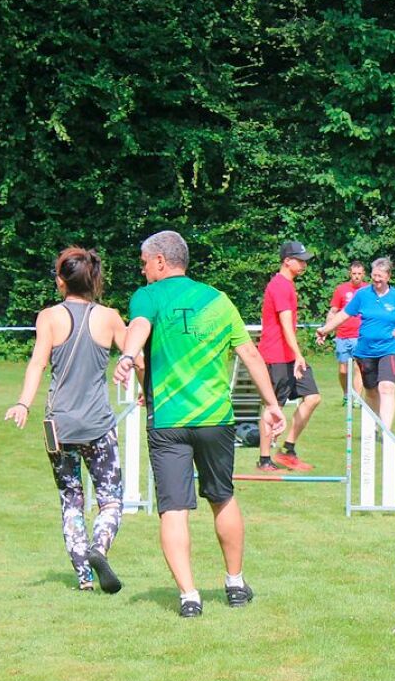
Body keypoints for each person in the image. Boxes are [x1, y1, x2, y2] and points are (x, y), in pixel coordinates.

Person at [113, 231, 286, 618]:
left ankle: (189, 595)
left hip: (169, 422)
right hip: (215, 419)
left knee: (173, 508)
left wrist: (127, 354)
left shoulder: (148, 296)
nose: (142, 270)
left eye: (144, 262)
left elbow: (138, 327)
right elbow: (250, 355)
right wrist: (272, 404)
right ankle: (235, 583)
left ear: (160, 261)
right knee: (222, 496)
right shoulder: (219, 300)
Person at [4, 248, 131, 593]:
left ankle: (84, 579)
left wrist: (22, 404)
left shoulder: (48, 317)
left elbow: (37, 365)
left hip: (56, 427)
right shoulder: (109, 317)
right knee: (110, 499)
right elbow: (135, 355)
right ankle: (99, 548)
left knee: (71, 500)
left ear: (61, 282)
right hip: (98, 425)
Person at [315, 257, 395, 431]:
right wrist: (324, 330)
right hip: (365, 352)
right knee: (371, 391)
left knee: (387, 387)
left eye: (381, 276)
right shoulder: (362, 295)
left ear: (388, 276)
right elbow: (343, 315)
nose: (377, 280)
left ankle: (386, 432)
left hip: (390, 349)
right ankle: (373, 427)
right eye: (374, 275)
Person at [256, 241, 322, 472]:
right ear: (287, 260)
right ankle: (264, 459)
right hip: (276, 356)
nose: (304, 263)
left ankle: (287, 449)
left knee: (312, 397)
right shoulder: (280, 286)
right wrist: (298, 355)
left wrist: (295, 356)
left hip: (289, 355)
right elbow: (285, 325)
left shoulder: (288, 285)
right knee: (274, 406)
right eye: (300, 259)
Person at [323, 260, 368, 404]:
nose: (356, 276)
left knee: (358, 367)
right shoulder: (341, 289)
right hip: (342, 334)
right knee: (343, 370)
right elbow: (333, 311)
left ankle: (357, 398)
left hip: (360, 335)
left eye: (359, 274)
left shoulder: (368, 290)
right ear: (350, 274)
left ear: (364, 274)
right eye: (354, 274)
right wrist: (325, 330)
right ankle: (346, 394)